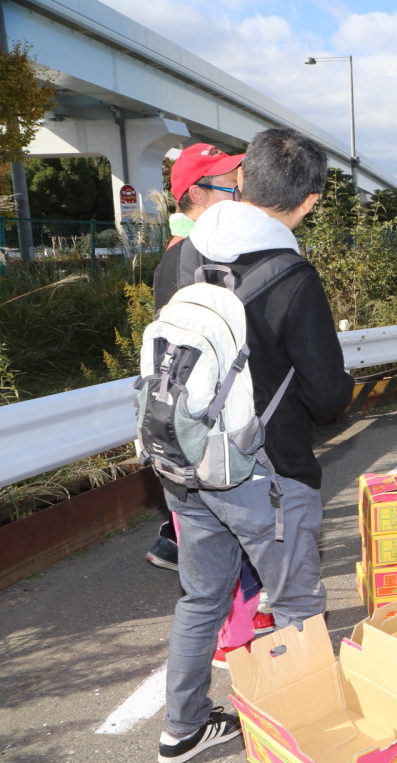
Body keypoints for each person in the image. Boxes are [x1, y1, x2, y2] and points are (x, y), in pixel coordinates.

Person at [157, 128, 353, 763]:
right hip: (264, 474)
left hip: (185, 465)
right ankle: (312, 744)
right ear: (311, 200)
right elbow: (328, 398)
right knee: (296, 605)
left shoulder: (177, 260)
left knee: (201, 598)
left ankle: (182, 729)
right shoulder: (292, 276)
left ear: (242, 183)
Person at [146, 143, 245, 570]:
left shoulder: (196, 248)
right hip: (204, 413)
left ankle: (177, 539)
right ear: (197, 194)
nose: (239, 196)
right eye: (228, 186)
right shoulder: (186, 258)